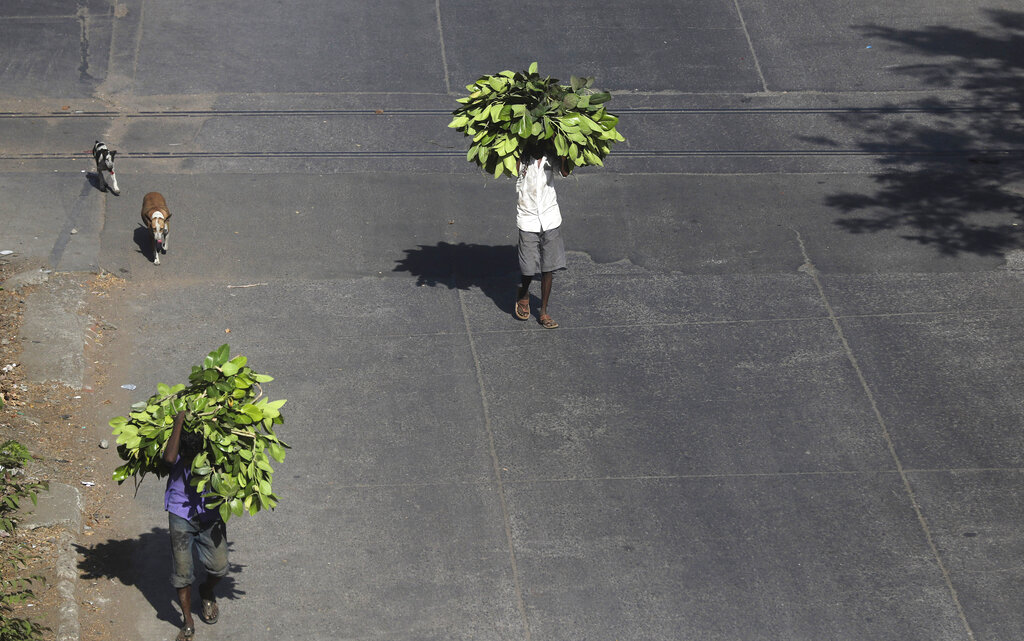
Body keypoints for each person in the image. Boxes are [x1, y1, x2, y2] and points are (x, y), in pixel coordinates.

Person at [162, 410, 228, 641]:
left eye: (193, 457)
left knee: (220, 567)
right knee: (182, 573)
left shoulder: (214, 454)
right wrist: (179, 420)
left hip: (210, 514)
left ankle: (207, 590)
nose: (189, 462)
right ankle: (188, 621)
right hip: (180, 512)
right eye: (186, 456)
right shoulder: (178, 453)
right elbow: (169, 459)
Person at [514, 143, 570, 329]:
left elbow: (564, 172)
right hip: (527, 218)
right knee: (528, 268)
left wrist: (564, 154)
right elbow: (512, 170)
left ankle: (543, 311)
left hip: (550, 217)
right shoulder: (521, 159)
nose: (537, 147)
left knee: (549, 267)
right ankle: (523, 293)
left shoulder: (550, 158)